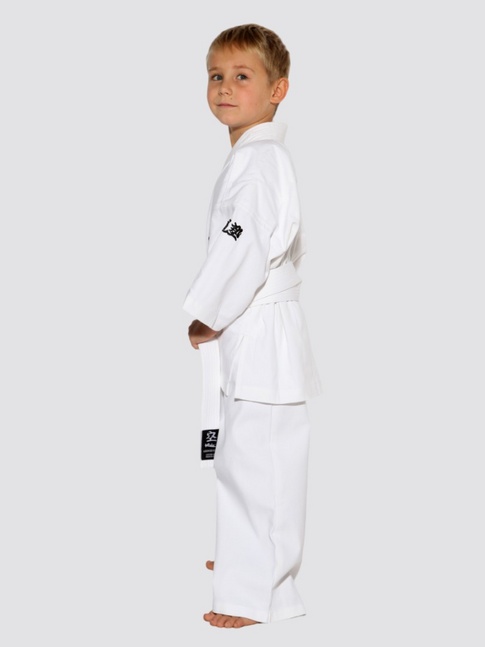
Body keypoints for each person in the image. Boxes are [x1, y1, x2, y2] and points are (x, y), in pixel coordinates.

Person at [183, 23, 322, 629]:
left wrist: (206, 311)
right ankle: (254, 564)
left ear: (277, 90)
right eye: (216, 75)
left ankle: (255, 593)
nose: (224, 87)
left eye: (242, 76)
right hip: (263, 329)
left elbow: (241, 245)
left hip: (258, 328)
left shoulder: (260, 162)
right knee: (257, 459)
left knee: (255, 464)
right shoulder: (257, 159)